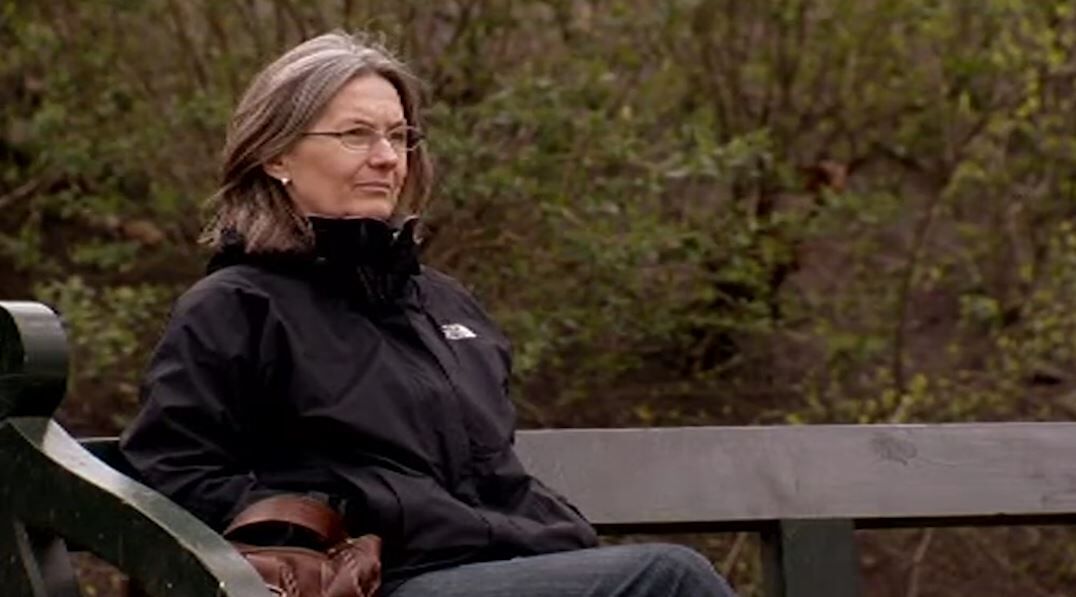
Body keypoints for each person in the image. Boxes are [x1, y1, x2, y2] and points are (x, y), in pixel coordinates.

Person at [119, 30, 736, 597]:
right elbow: (172, 472)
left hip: (500, 568)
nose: (387, 157)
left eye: (398, 136)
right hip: (378, 582)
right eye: (356, 135)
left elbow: (490, 477)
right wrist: (323, 517)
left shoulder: (443, 304)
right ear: (276, 155)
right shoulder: (234, 307)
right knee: (668, 579)